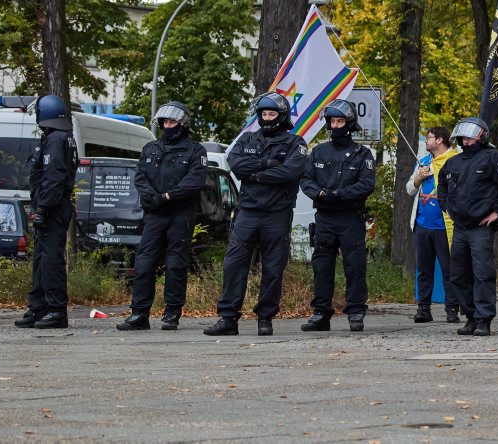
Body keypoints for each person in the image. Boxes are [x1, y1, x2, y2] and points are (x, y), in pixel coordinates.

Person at [204, 93, 308, 336]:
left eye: (272, 114)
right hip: (248, 212)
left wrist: (256, 173)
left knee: (273, 268)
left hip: (277, 214)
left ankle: (265, 318)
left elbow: (289, 173)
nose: (267, 118)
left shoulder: (296, 143)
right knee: (233, 265)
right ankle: (228, 318)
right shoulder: (247, 139)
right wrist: (270, 165)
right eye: (264, 114)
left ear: (281, 117)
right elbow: (236, 164)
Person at [118, 102, 208, 332]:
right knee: (144, 263)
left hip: (180, 214)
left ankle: (171, 313)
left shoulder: (195, 150)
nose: (168, 126)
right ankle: (139, 314)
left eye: (172, 122)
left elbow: (194, 181)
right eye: (165, 122)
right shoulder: (151, 149)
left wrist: (168, 196)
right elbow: (140, 178)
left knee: (176, 265)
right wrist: (153, 198)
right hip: (154, 215)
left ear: (183, 124)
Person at [437, 117, 498, 337]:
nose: (466, 139)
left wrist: (497, 212)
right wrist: (446, 207)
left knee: (482, 273)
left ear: (481, 135)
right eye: (463, 136)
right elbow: (442, 183)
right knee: (458, 274)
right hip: (460, 227)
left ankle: (484, 319)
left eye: (470, 136)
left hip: (480, 228)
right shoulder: (453, 162)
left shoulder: (493, 157)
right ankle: (470, 316)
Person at [300, 99, 376, 332]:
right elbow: (306, 179)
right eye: (333, 121)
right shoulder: (318, 152)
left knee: (354, 265)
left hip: (350, 216)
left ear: (349, 122)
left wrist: (340, 194)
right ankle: (321, 313)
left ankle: (355, 312)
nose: (336, 125)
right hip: (325, 217)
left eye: (340, 120)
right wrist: (321, 194)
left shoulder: (362, 154)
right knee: (322, 266)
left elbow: (367, 184)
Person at [14, 95, 78, 330]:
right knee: (41, 259)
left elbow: (54, 177)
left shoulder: (56, 139)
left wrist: (42, 208)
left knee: (50, 261)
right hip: (53, 206)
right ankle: (39, 308)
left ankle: (56, 310)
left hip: (53, 207)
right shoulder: (60, 138)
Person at [406, 126, 459, 324]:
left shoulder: (454, 160)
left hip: (445, 225)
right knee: (424, 269)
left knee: (449, 269)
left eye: (429, 138)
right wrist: (419, 177)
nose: (426, 141)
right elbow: (409, 189)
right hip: (422, 224)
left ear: (440, 140)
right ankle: (423, 308)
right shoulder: (423, 162)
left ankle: (452, 308)